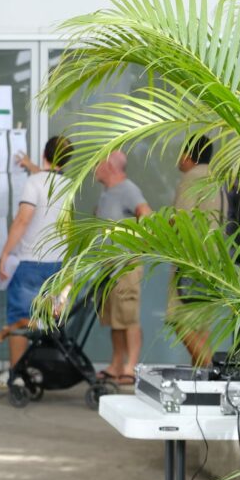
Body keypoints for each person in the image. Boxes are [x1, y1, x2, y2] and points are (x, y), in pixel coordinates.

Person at [0, 136, 73, 389]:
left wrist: (5, 253)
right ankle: (35, 369)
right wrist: (31, 165)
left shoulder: (34, 183)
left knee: (19, 319)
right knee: (44, 320)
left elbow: (23, 220)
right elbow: (48, 182)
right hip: (58, 265)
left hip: (31, 263)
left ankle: (17, 374)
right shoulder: (67, 184)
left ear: (45, 154)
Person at [93, 151, 152, 386]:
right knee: (113, 319)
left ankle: (131, 366)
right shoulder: (107, 192)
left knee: (128, 317)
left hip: (125, 265)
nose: (94, 168)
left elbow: (146, 215)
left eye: (98, 163)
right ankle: (116, 363)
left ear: (109, 166)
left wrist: (136, 248)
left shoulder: (129, 189)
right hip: (107, 266)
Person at [167, 136, 223, 367]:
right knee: (201, 324)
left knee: (178, 319)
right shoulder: (217, 179)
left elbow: (182, 219)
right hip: (216, 258)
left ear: (189, 155)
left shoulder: (192, 178)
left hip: (190, 258)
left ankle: (210, 370)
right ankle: (202, 380)